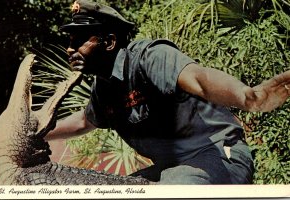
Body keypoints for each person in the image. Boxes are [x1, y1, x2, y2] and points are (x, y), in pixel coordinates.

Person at [45, 0, 290, 184]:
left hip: (216, 155)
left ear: (109, 42)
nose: (69, 49)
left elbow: (200, 79)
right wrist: (38, 132)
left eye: (79, 41)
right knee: (117, 189)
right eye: (69, 41)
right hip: (171, 167)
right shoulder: (104, 87)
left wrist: (248, 97)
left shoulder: (150, 57)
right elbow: (84, 121)